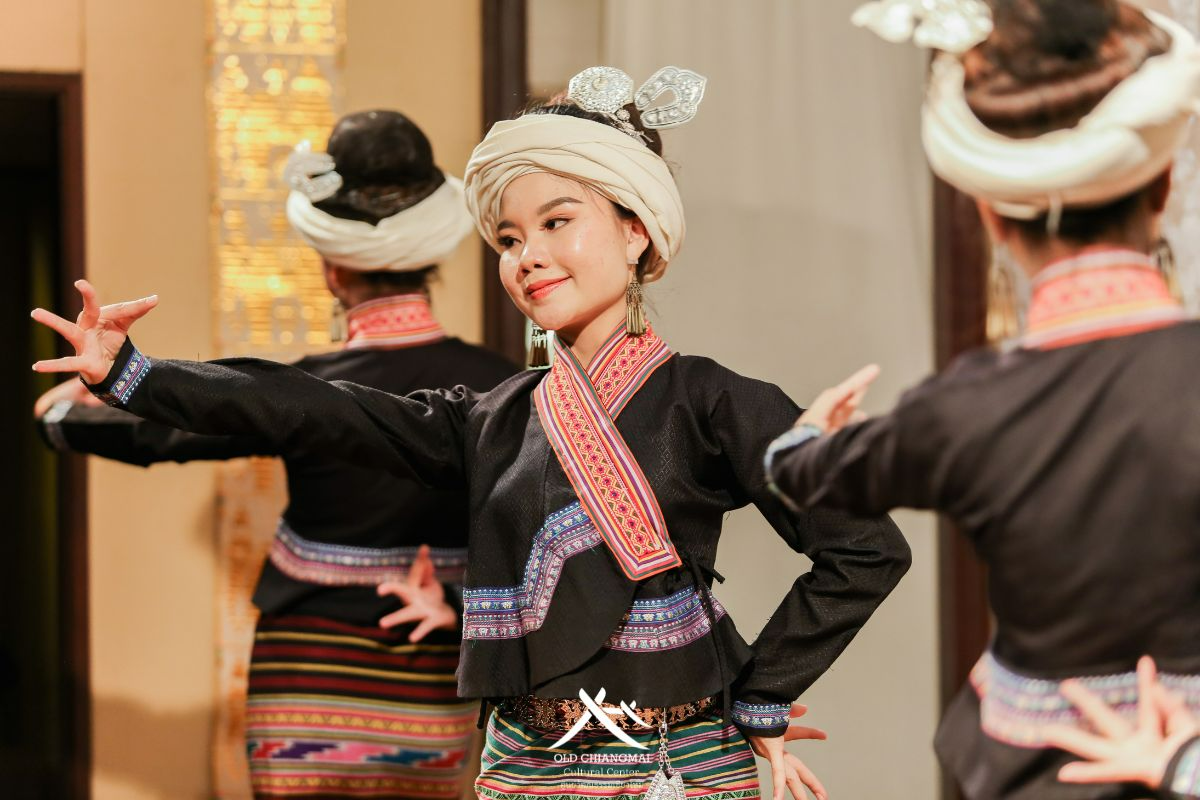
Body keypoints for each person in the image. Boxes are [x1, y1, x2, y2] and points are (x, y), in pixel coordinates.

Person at [31, 65, 911, 800]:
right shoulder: (494, 416)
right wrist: (135, 374)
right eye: (508, 238)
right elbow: (309, 405)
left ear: (637, 232)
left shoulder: (713, 401)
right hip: (520, 768)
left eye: (557, 223)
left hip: (671, 767)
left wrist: (762, 695)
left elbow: (864, 549)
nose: (527, 256)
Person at [765, 1, 1200, 798]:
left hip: (1028, 774)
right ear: (1164, 184)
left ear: (993, 216)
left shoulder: (962, 409)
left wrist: (805, 438)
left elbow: (803, 476)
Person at [34, 110, 517, 799]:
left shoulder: (305, 388)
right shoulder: (503, 386)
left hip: (306, 660)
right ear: (430, 260)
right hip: (431, 663)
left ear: (332, 270)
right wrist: (460, 601)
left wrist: (60, 417)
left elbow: (166, 433)